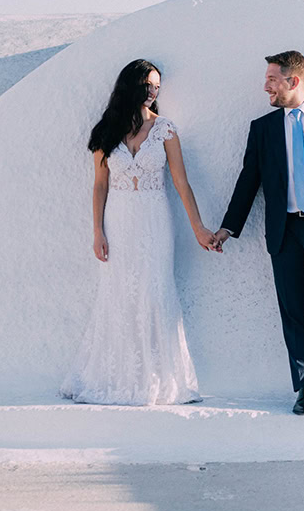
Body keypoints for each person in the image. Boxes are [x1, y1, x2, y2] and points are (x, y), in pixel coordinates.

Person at [60, 59, 217, 405]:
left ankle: (157, 378)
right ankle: (114, 376)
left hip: (153, 220)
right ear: (129, 86)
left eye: (156, 86)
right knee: (118, 294)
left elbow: (181, 184)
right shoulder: (106, 131)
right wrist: (97, 231)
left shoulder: (165, 130)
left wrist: (199, 229)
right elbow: (100, 185)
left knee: (154, 292)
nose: (152, 92)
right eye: (147, 85)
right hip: (119, 221)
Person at [213, 51, 304, 415]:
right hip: (284, 232)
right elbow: (249, 181)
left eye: (272, 80)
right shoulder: (262, 128)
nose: (265, 87)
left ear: (293, 81)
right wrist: (228, 228)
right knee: (293, 310)